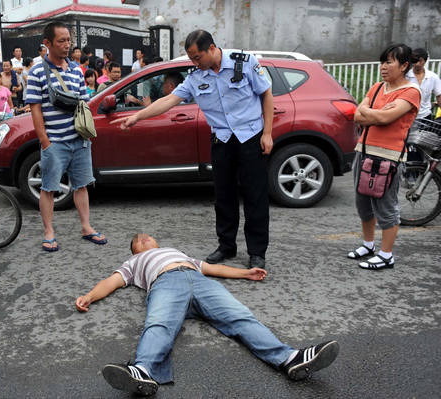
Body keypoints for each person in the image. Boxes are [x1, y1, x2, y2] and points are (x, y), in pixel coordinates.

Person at [76, 233, 339, 396]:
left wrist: (245, 273)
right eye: (138, 241)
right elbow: (111, 281)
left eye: (148, 237)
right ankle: (142, 370)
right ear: (135, 251)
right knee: (158, 325)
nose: (143, 238)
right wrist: (89, 295)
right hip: (165, 283)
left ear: (157, 242)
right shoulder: (134, 263)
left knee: (240, 316)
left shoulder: (179, 253)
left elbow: (213, 268)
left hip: (199, 280)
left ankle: (290, 358)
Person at [112, 30, 273, 268]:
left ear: (211, 48)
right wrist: (137, 116)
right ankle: (227, 246)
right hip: (222, 141)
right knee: (224, 197)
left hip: (251, 137)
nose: (194, 63)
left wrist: (268, 133)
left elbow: (266, 94)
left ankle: (257, 252)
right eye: (191, 58)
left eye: (197, 57)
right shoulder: (196, 77)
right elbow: (168, 101)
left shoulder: (245, 62)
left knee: (255, 196)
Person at [25, 21, 106, 251]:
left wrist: (86, 135)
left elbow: (83, 103)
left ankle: (86, 227)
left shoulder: (75, 69)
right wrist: (45, 142)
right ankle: (49, 231)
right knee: (49, 187)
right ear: (47, 43)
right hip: (55, 141)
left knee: (81, 185)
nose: (67, 45)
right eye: (61, 41)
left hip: (79, 140)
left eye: (68, 40)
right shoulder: (37, 71)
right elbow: (35, 109)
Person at [349, 43, 420, 270]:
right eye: (383, 62)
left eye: (389, 62)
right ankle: (368, 244)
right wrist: (375, 114)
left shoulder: (411, 92)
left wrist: (372, 114)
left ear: (404, 66)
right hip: (364, 151)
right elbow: (357, 116)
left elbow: (382, 119)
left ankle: (386, 254)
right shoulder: (378, 87)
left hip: (388, 157)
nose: (383, 67)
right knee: (363, 203)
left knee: (386, 206)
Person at [406, 48, 441, 121]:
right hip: (407, 116)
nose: (417, 64)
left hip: (425, 116)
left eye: (420, 61)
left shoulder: (432, 77)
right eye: (415, 61)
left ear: (425, 61)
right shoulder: (405, 76)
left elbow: (439, 96)